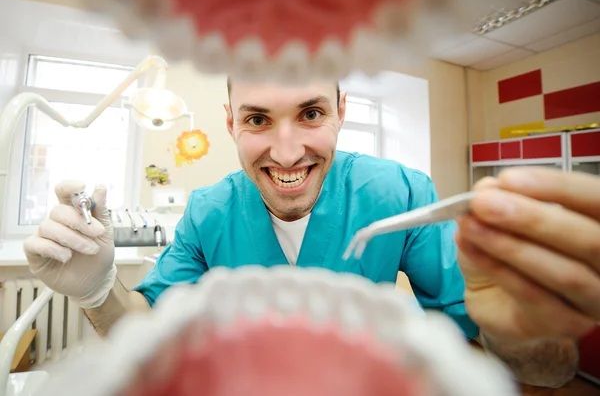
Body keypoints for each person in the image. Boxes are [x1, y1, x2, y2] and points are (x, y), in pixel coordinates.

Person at [24, 80, 600, 388]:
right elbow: (143, 336)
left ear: (341, 111)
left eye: (311, 114)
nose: (287, 151)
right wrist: (97, 293)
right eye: (256, 120)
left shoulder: (400, 194)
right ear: (230, 123)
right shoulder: (209, 210)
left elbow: (543, 372)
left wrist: (526, 331)